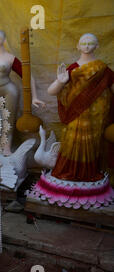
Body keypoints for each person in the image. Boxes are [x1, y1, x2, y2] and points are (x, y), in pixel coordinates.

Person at [47, 33, 113, 182]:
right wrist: (60, 81)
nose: (87, 46)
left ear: (97, 46)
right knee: (72, 142)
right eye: (83, 43)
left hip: (96, 118)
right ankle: (70, 173)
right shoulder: (73, 68)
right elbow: (51, 91)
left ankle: (88, 174)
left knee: (92, 145)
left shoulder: (102, 69)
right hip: (75, 114)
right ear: (77, 46)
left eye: (91, 43)